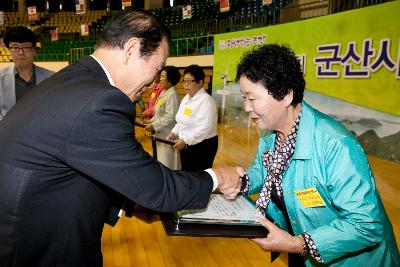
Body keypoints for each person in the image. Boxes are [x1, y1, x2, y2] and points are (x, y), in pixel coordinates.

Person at [0, 10, 243, 266]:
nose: (152, 82)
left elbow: (69, 168)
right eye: (157, 68)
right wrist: (218, 177)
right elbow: (159, 188)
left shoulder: (73, 79)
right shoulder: (100, 100)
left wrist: (129, 203)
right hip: (41, 250)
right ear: (131, 49)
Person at [231, 44, 399, 266]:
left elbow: (365, 224)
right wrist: (240, 181)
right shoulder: (270, 135)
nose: (246, 108)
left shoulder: (336, 145)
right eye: (244, 98)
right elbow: (263, 171)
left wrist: (297, 244)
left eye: (252, 99)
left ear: (286, 95)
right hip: (302, 250)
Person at [166, 64, 218, 171]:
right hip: (187, 143)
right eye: (184, 81)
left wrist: (185, 140)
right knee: (187, 171)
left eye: (190, 81)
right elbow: (181, 120)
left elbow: (204, 128)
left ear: (200, 82)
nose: (186, 84)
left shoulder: (206, 101)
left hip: (203, 146)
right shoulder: (186, 98)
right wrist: (173, 133)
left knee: (198, 175)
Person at [0, 26, 54, 120]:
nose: (21, 52)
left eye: (26, 47)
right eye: (15, 47)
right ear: (9, 50)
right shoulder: (0, 78)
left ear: (34, 50)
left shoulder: (51, 78)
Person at [145, 65, 182, 170]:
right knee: (161, 160)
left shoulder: (172, 95)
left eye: (162, 76)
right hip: (161, 132)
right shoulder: (164, 91)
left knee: (167, 162)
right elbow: (159, 113)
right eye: (160, 76)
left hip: (168, 134)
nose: (160, 79)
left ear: (170, 79)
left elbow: (170, 116)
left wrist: (154, 125)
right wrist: (151, 122)